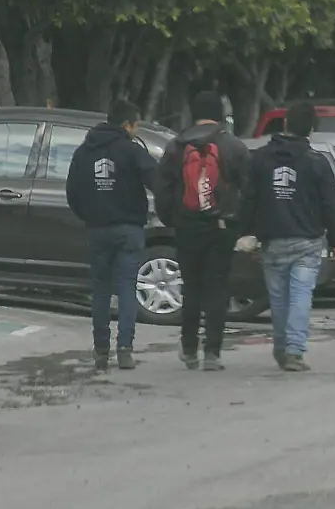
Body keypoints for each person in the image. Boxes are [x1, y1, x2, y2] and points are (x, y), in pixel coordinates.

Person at [154, 91, 251, 372]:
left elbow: (162, 189)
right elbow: (250, 189)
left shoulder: (176, 147)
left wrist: (171, 219)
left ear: (193, 113)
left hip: (187, 227)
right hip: (221, 228)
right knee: (217, 288)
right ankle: (212, 352)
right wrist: (241, 225)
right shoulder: (234, 147)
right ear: (220, 114)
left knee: (192, 288)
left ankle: (188, 348)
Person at [247, 102, 335, 373]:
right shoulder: (316, 162)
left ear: (285, 124)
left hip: (271, 239)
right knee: (301, 296)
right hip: (307, 241)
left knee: (278, 299)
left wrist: (247, 232)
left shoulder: (260, 159)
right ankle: (294, 351)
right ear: (311, 130)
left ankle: (280, 347)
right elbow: (330, 205)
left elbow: (249, 199)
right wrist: (334, 240)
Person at [65, 99, 157, 371]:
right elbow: (156, 179)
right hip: (129, 229)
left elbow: (73, 193)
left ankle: (101, 350)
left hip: (97, 230)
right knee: (127, 288)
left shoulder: (84, 152)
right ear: (126, 124)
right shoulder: (131, 151)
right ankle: (125, 349)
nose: (137, 130)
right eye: (136, 125)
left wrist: (89, 215)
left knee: (101, 290)